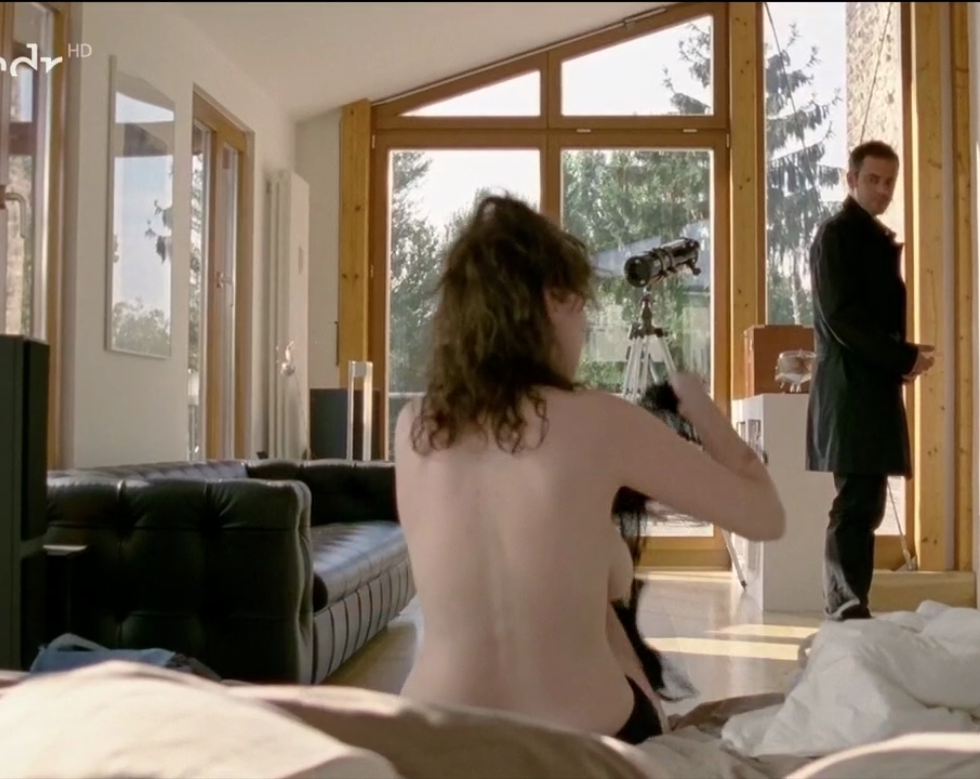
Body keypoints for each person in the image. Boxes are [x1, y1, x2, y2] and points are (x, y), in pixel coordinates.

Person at [393, 195, 786, 744]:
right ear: (554, 300)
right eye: (582, 307)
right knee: (605, 602)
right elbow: (766, 517)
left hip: (433, 737)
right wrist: (705, 414)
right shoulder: (599, 419)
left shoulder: (415, 425)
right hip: (582, 737)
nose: (584, 325)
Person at [806, 141, 935, 621]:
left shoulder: (865, 236)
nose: (882, 190)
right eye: (873, 180)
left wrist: (903, 359)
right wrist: (904, 357)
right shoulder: (839, 235)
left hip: (864, 388)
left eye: (889, 182)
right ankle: (845, 606)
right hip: (851, 392)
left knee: (866, 502)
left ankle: (850, 605)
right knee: (857, 503)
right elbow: (843, 318)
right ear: (851, 179)